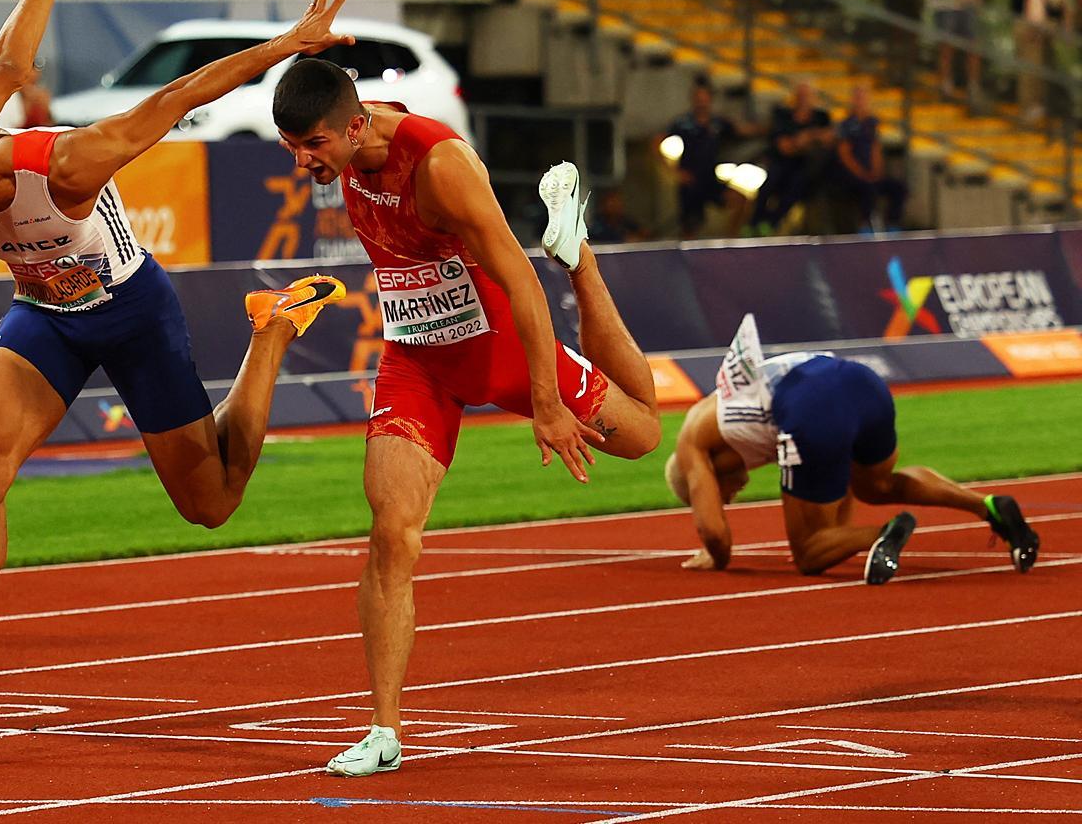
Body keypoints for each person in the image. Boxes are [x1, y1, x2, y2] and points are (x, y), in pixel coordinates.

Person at [0, 0, 351, 739]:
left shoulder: (67, 166)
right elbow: (5, 65)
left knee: (211, 503)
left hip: (132, 311)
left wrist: (288, 44)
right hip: (44, 316)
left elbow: (176, 96)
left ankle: (273, 330)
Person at [267, 63, 663, 779]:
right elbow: (332, 84)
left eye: (313, 145)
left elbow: (521, 284)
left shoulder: (441, 166)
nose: (302, 161)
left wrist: (547, 404)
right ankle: (384, 731)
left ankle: (579, 257)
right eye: (290, 146)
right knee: (392, 534)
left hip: (498, 345)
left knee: (643, 435)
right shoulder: (349, 119)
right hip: (416, 360)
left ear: (354, 127)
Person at [666, 315, 1039, 582]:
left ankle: (885, 533)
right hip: (861, 383)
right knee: (876, 485)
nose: (729, 498)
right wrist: (836, 536)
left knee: (808, 553)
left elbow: (716, 537)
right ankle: (989, 506)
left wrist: (713, 556)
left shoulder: (691, 443)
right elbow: (836, 475)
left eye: (721, 495)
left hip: (811, 404)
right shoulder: (731, 423)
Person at [668, 76, 757, 238]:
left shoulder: (717, 123)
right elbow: (657, 141)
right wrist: (675, 171)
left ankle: (731, 240)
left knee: (741, 199)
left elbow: (741, 130)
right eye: (698, 99)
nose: (702, 103)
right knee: (690, 226)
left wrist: (771, 128)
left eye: (705, 99)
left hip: (710, 179)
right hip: (691, 182)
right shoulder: (683, 123)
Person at [1004, 0, 1072, 120]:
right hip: (1028, 22)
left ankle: (1049, 110)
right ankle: (1029, 110)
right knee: (1031, 68)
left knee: (1050, 68)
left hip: (1052, 22)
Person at [751, 81, 837, 234]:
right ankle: (754, 223)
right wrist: (806, 141)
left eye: (807, 96)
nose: (804, 100)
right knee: (768, 184)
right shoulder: (783, 116)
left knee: (796, 187)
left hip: (807, 168)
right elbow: (783, 147)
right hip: (781, 164)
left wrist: (806, 137)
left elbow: (829, 139)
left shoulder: (821, 117)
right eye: (801, 95)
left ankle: (770, 224)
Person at [834, 83, 907, 230]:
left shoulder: (871, 123)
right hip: (852, 176)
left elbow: (875, 148)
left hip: (871, 174)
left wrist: (877, 171)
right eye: (858, 98)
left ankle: (893, 225)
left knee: (899, 188)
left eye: (864, 98)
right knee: (867, 189)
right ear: (852, 100)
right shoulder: (846, 124)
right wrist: (862, 173)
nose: (861, 102)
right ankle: (866, 226)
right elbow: (845, 154)